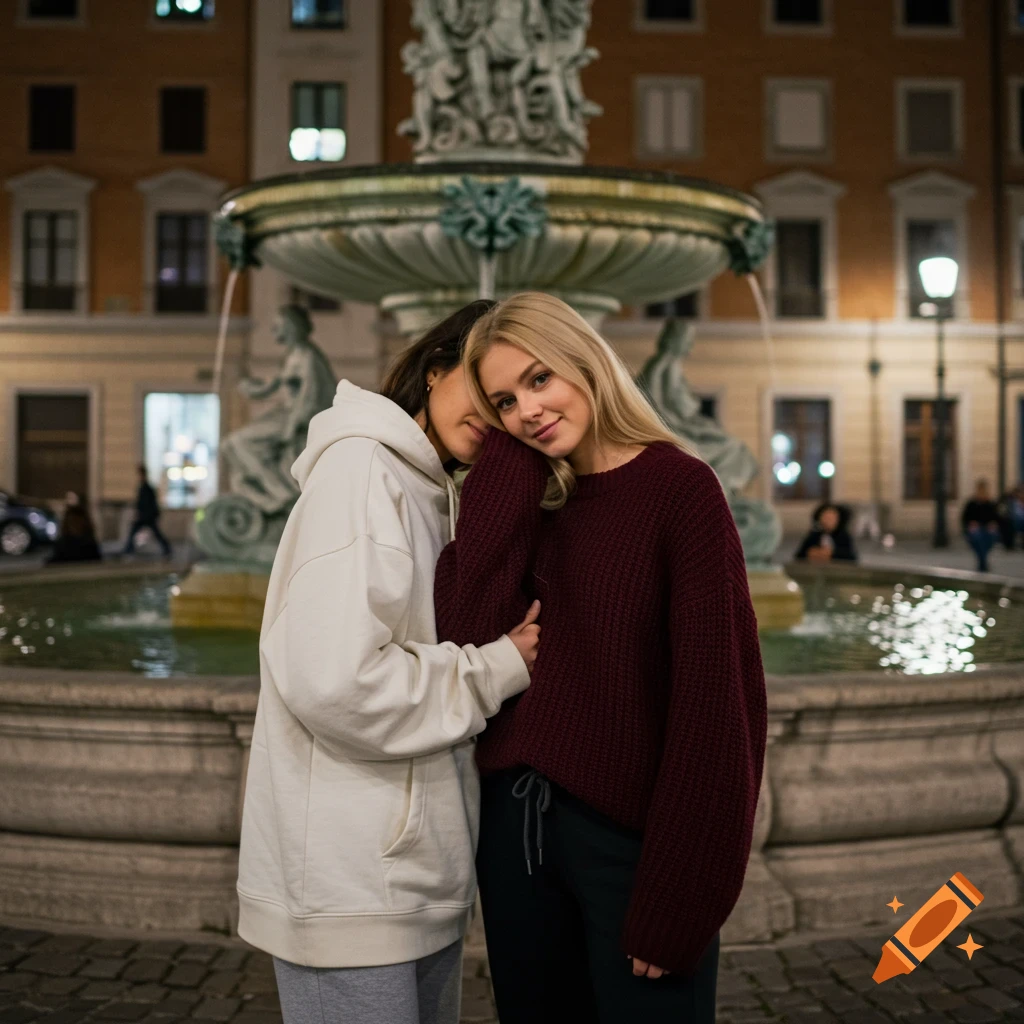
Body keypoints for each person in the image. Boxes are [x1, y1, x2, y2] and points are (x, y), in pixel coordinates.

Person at [433, 292, 767, 1023]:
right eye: (504, 400)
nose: (526, 408)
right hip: (514, 840)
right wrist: (510, 470)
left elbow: (718, 702)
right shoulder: (533, 501)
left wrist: (686, 889)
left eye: (540, 378)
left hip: (628, 845)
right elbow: (462, 634)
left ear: (586, 361)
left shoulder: (680, 489)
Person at [236, 301, 542, 1024]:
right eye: (484, 388)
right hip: (352, 888)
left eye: (511, 402)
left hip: (404, 877)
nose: (499, 418)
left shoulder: (427, 486)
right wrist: (497, 667)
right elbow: (334, 679)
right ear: (434, 369)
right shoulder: (360, 473)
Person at [123, 465, 172, 557]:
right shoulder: (143, 487)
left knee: (151, 532)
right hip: (146, 515)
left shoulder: (146, 488)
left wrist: (141, 513)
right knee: (138, 531)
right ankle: (129, 549)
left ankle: (129, 549)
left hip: (147, 516)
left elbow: (146, 503)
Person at [793, 502, 858, 564]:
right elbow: (799, 556)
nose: (829, 521)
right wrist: (811, 553)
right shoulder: (813, 536)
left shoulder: (843, 537)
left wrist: (832, 553)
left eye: (832, 518)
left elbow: (851, 557)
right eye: (826, 517)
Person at [961, 478, 1001, 573]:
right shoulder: (972, 503)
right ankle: (983, 563)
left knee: (989, 537)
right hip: (976, 529)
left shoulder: (991, 503)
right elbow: (965, 518)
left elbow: (996, 518)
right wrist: (971, 523)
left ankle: (982, 563)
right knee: (977, 537)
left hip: (988, 528)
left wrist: (993, 523)